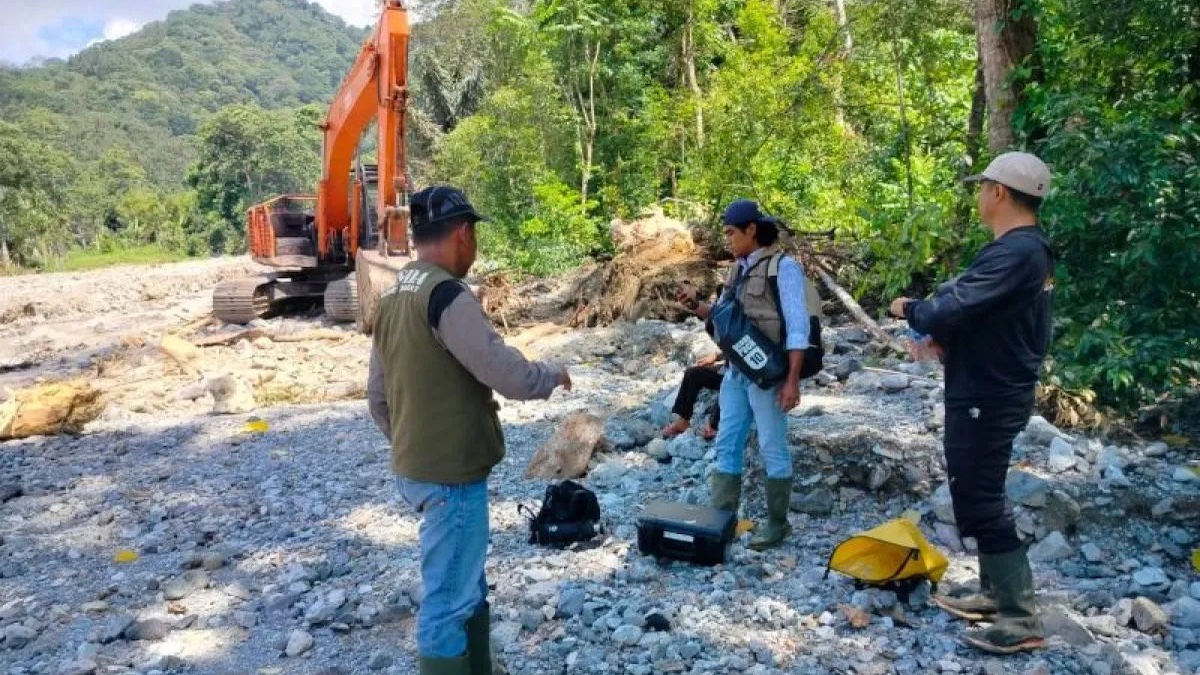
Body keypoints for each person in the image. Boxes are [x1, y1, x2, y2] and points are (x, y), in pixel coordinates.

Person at [367, 185, 572, 675]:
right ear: (462, 233)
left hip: (417, 466)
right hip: (451, 473)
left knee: (465, 581)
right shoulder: (445, 293)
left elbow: (377, 395)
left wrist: (411, 442)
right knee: (449, 599)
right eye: (474, 235)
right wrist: (550, 375)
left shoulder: (394, 292)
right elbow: (503, 371)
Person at [888, 151, 1055, 655]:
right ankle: (992, 591)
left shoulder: (1019, 252)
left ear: (999, 193)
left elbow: (953, 303)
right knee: (972, 491)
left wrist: (913, 311)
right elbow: (982, 312)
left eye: (983, 187)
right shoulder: (1020, 251)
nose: (979, 195)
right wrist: (942, 337)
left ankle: (1020, 617)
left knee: (980, 497)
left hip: (990, 392)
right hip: (986, 386)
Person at [679, 199, 811, 551]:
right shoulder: (736, 270)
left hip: (769, 378)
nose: (728, 239)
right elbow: (723, 318)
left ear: (752, 230)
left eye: (731, 232)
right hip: (735, 373)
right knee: (727, 443)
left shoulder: (783, 268)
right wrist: (696, 306)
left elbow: (798, 328)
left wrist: (793, 380)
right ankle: (723, 519)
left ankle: (777, 525)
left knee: (772, 446)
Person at [661, 352, 723, 440]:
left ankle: (714, 426)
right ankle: (683, 421)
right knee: (692, 374)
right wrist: (716, 356)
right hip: (729, 367)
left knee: (729, 386)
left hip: (744, 374)